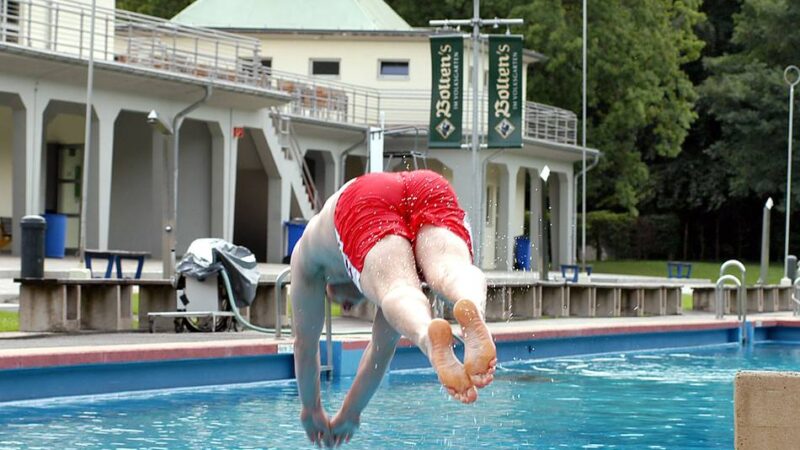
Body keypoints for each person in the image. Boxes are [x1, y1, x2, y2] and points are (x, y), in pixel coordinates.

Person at [290, 169, 497, 447]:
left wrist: (311, 408)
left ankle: (426, 338)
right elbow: (381, 348)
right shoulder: (378, 290)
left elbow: (305, 344)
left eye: (342, 303)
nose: (347, 304)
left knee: (398, 289)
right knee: (450, 269)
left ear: (329, 288)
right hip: (427, 183)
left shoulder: (307, 259)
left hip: (363, 200)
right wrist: (350, 411)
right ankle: (470, 304)